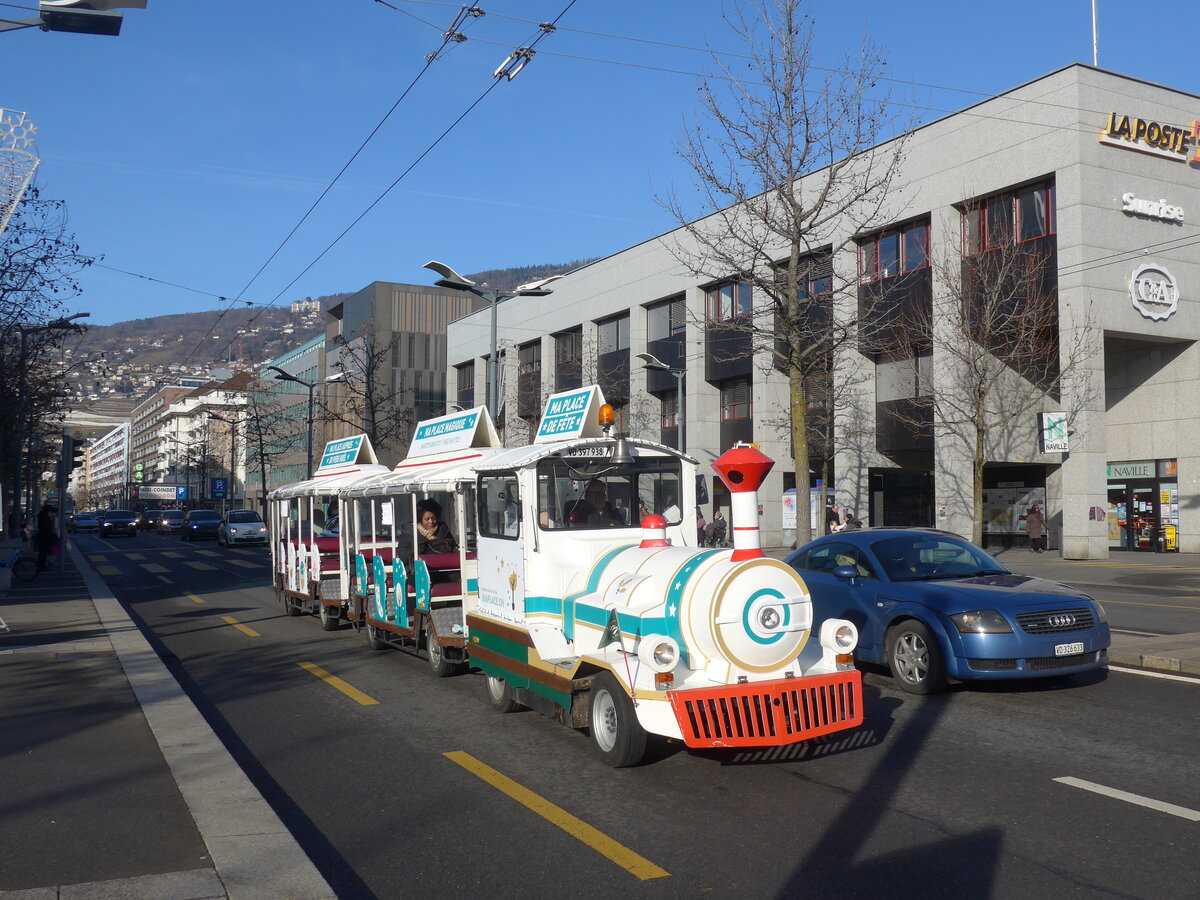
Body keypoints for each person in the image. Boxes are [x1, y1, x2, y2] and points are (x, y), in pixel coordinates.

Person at [36, 504, 57, 571]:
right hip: (44, 538)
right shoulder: (45, 517)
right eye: (50, 511)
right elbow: (47, 528)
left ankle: (42, 565)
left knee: (43, 553)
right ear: (48, 511)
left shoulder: (42, 516)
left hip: (43, 537)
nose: (51, 513)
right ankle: (42, 566)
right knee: (43, 553)